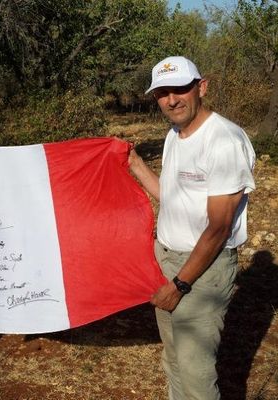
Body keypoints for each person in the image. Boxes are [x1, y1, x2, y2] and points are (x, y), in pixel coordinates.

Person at [129, 57, 256, 399]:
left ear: (202, 87)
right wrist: (137, 166)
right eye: (162, 93)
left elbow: (219, 227)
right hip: (167, 259)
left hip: (201, 270)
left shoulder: (224, 141)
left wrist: (180, 283)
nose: (171, 100)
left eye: (180, 89)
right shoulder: (175, 135)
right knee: (173, 360)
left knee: (196, 371)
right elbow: (171, 198)